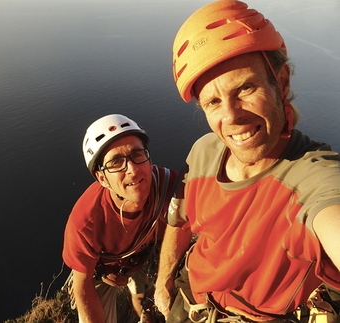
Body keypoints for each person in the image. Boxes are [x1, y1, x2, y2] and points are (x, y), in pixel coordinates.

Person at [154, 1, 340, 323]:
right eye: (212, 102)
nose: (230, 118)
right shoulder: (203, 153)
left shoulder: (312, 178)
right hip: (190, 302)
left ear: (281, 82)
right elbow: (179, 219)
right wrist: (162, 280)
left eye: (245, 88)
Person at [62, 114, 178, 323]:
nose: (132, 169)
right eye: (116, 162)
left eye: (137, 154)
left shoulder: (171, 189)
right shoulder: (86, 221)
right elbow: (82, 284)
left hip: (143, 256)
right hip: (102, 272)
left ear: (149, 159)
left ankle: (145, 315)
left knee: (143, 296)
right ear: (102, 178)